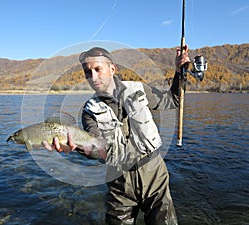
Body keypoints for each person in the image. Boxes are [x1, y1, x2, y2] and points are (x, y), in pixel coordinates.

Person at [43, 46, 190, 225]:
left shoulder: (139, 89)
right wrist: (78, 147)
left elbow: (172, 100)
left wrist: (179, 72)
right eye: (88, 72)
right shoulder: (89, 111)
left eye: (98, 69)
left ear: (112, 68)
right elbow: (98, 149)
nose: (93, 76)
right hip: (118, 182)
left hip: (154, 173)